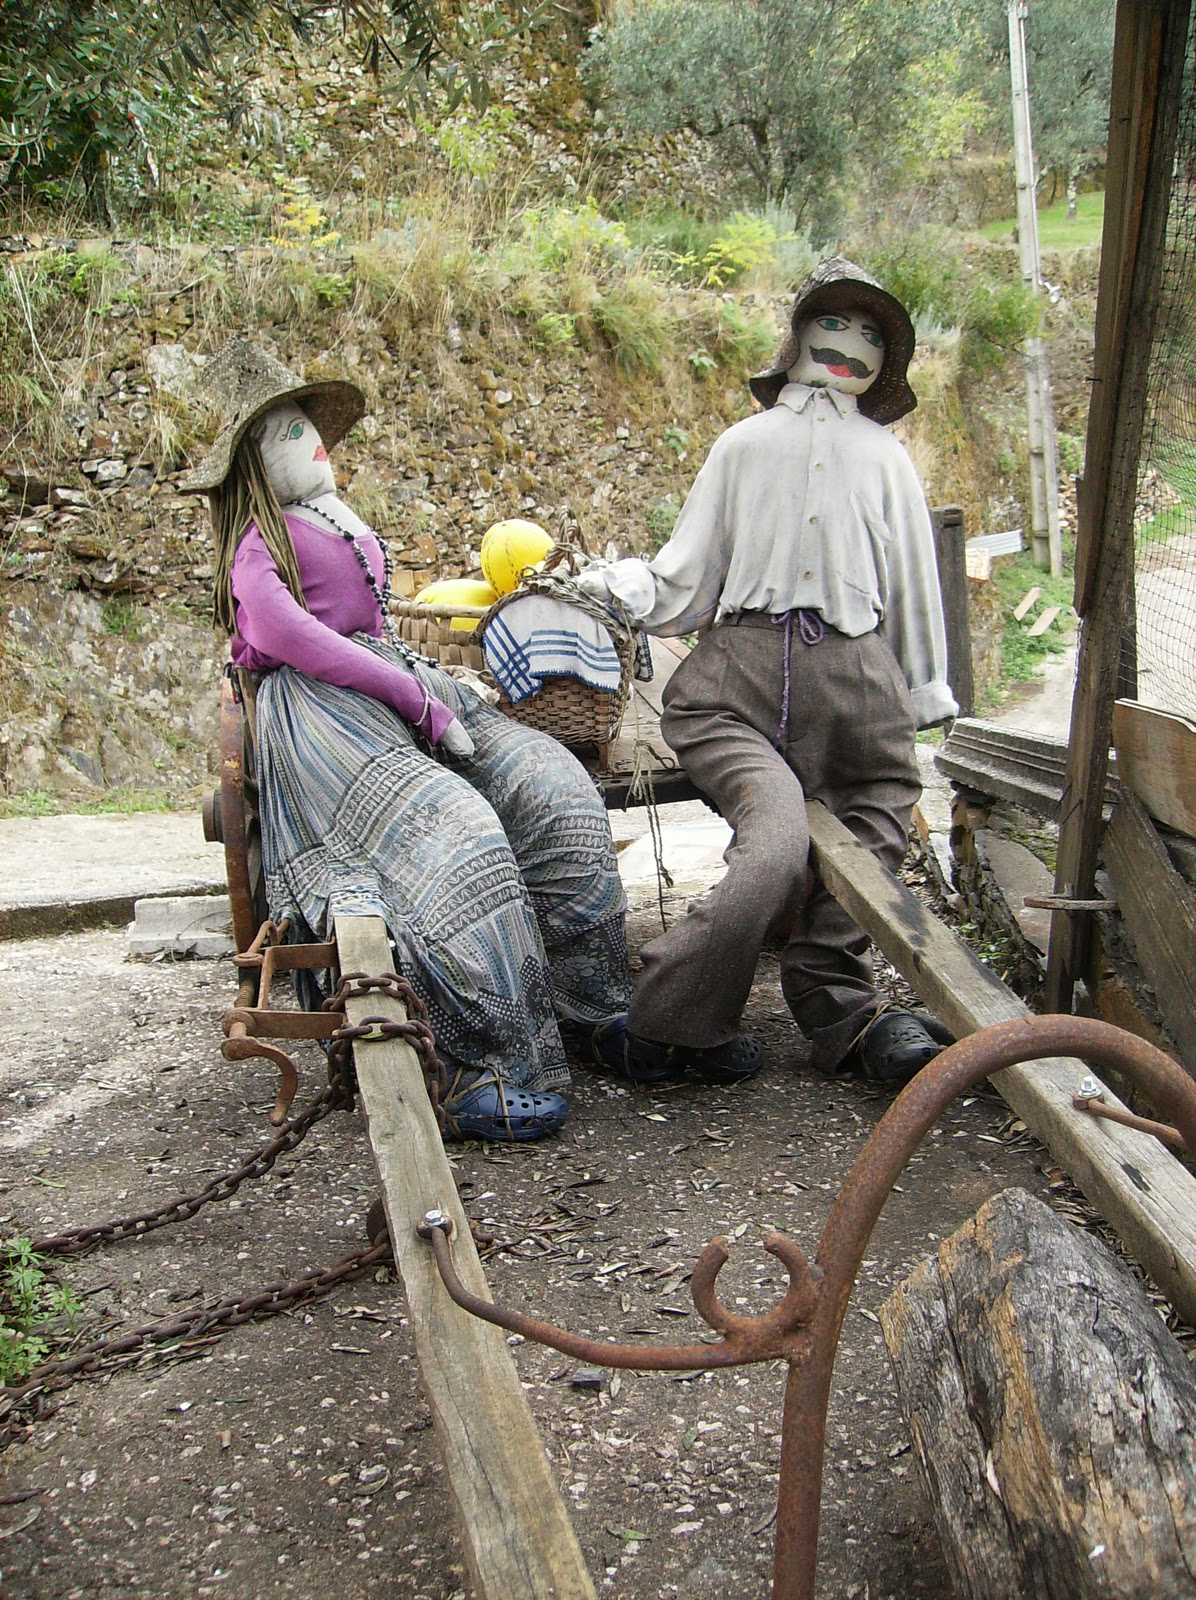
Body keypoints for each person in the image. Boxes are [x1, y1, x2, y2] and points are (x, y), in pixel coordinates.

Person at [180, 339, 631, 1140]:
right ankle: (473, 1062)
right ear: (255, 462)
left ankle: (591, 1008)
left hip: (395, 677)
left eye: (307, 427)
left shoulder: (327, 513)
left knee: (551, 789)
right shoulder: (258, 543)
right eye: (288, 434)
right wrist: (413, 699)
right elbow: (290, 637)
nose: (312, 444)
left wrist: (428, 692)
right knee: (455, 835)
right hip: (323, 713)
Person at [578, 258, 958, 1088]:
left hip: (858, 682)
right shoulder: (742, 446)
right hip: (736, 689)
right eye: (834, 324)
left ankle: (842, 1004)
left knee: (880, 819)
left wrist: (922, 686)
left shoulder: (886, 458)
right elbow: (689, 573)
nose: (850, 344)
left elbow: (914, 582)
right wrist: (625, 589)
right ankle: (667, 1021)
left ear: (886, 360)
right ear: (797, 337)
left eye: (870, 333)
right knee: (777, 848)